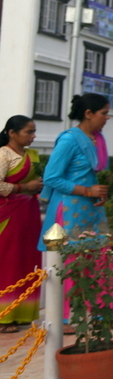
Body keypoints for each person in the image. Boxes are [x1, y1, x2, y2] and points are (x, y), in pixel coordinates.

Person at [39, 93, 113, 329]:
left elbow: (98, 175)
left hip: (93, 211)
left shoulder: (98, 139)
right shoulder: (69, 140)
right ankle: (67, 319)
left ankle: (103, 313)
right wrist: (87, 191)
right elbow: (51, 177)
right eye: (104, 113)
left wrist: (99, 194)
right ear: (88, 114)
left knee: (100, 259)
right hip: (70, 210)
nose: (107, 118)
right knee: (71, 264)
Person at [0, 116, 42, 332]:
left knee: (28, 261)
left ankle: (24, 312)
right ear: (12, 133)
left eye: (34, 131)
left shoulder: (31, 156)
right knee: (9, 262)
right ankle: (5, 317)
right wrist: (23, 187)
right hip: (8, 217)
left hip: (29, 215)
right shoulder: (3, 154)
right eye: (29, 132)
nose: (33, 136)